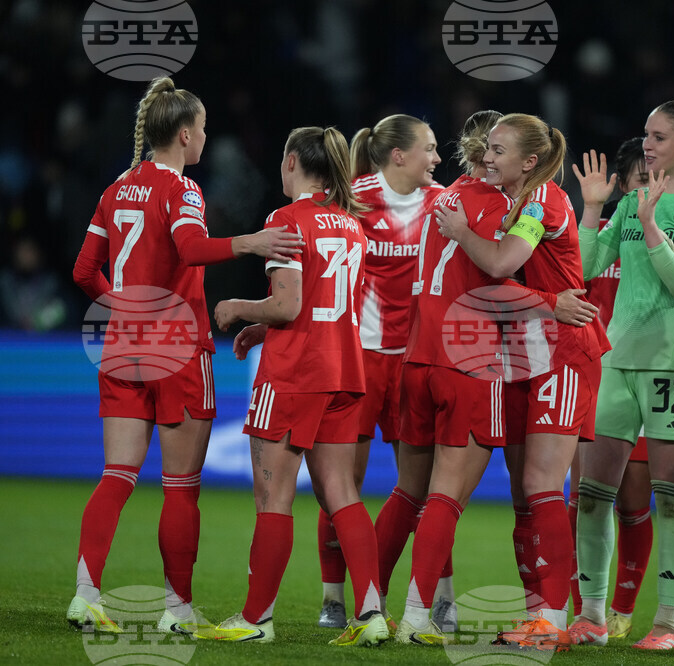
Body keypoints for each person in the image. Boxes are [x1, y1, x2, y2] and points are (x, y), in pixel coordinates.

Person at [68, 76, 302, 634]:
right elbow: (191, 248)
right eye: (201, 130)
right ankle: (176, 611)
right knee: (180, 487)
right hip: (177, 345)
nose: (204, 139)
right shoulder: (183, 190)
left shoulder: (117, 187)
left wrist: (125, 307)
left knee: (117, 474)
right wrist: (250, 242)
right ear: (182, 133)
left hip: (124, 344)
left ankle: (84, 596)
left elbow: (82, 271)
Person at [196, 126, 388, 646]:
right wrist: (268, 325)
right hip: (345, 370)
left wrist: (239, 308)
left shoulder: (286, 220)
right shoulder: (350, 224)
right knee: (342, 491)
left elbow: (289, 305)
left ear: (290, 163)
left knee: (274, 496)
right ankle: (371, 614)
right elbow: (323, 304)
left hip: (295, 373)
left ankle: (256, 620)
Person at [436, 112, 611, 650]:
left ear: (529, 161)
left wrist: (460, 230)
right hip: (525, 355)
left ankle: (556, 618)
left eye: (499, 150)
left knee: (540, 485)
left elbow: (502, 262)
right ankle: (538, 611)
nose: (487, 156)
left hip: (564, 354)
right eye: (488, 147)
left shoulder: (542, 201)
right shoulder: (517, 199)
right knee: (522, 492)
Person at [571, 97, 674, 650]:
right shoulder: (634, 198)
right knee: (592, 494)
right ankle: (591, 617)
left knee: (669, 496)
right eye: (646, 134)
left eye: (659, 136)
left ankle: (665, 624)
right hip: (616, 359)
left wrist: (651, 227)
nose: (647, 143)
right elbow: (587, 268)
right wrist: (593, 209)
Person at [316, 113, 443, 631]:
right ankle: (333, 598)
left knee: (428, 485)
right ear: (398, 155)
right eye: (430, 148)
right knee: (343, 483)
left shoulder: (444, 203)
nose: (437, 158)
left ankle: (439, 597)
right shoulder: (354, 199)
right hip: (361, 357)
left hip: (416, 360)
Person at [566, 136, 655, 640]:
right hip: (597, 376)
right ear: (624, 183)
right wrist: (592, 210)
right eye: (643, 178)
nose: (652, 187)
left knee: (636, 500)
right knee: (585, 496)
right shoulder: (608, 227)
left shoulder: (668, 229)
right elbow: (576, 274)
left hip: (647, 373)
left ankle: (622, 609)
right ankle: (586, 607)